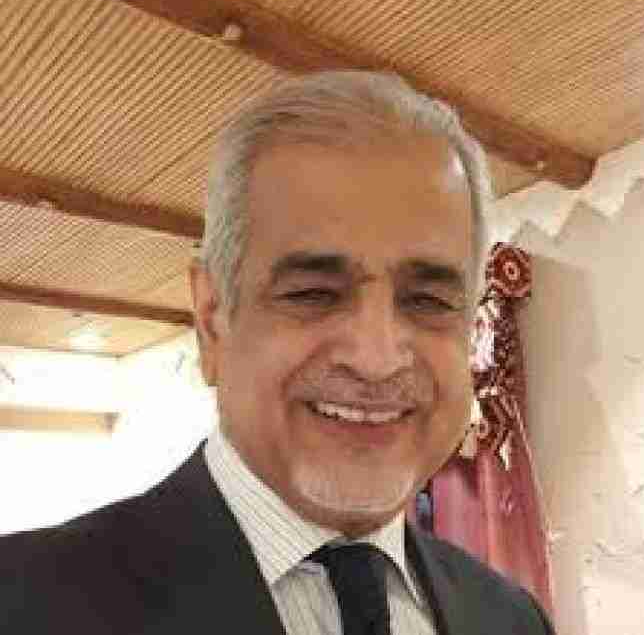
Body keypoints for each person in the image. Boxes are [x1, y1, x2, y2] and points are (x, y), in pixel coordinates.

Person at [0, 71, 554, 634]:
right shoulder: (21, 604)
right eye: (313, 293)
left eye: (429, 300)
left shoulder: (511, 619)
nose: (376, 358)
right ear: (212, 320)